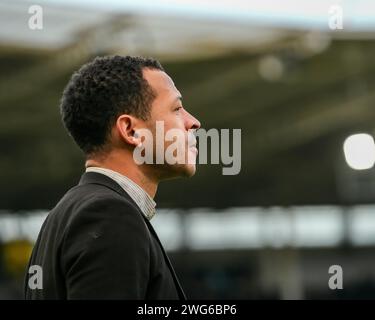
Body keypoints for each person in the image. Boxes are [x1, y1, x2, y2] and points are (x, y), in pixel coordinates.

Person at [24, 55, 201, 299]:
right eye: (177, 108)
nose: (193, 122)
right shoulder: (111, 216)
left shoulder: (63, 216)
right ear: (131, 130)